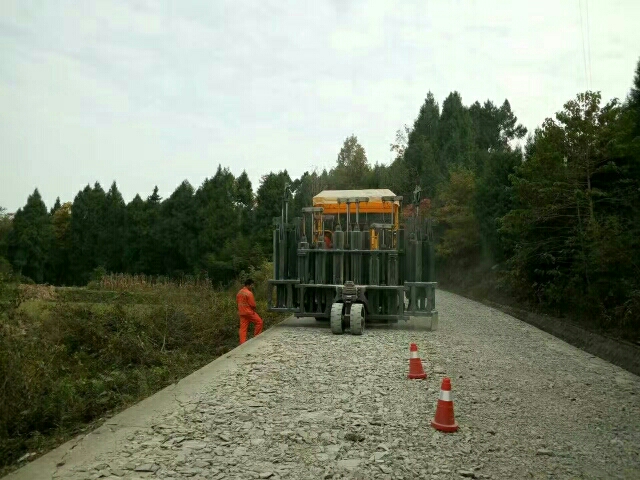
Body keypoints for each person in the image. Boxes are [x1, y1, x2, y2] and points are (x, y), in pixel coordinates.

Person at [236, 278, 263, 344]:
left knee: (243, 328)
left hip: (242, 312)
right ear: (248, 285)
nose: (252, 287)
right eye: (252, 285)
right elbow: (253, 304)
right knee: (259, 322)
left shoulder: (239, 292)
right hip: (249, 312)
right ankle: (256, 338)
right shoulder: (249, 293)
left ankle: (242, 343)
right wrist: (254, 309)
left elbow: (237, 302)